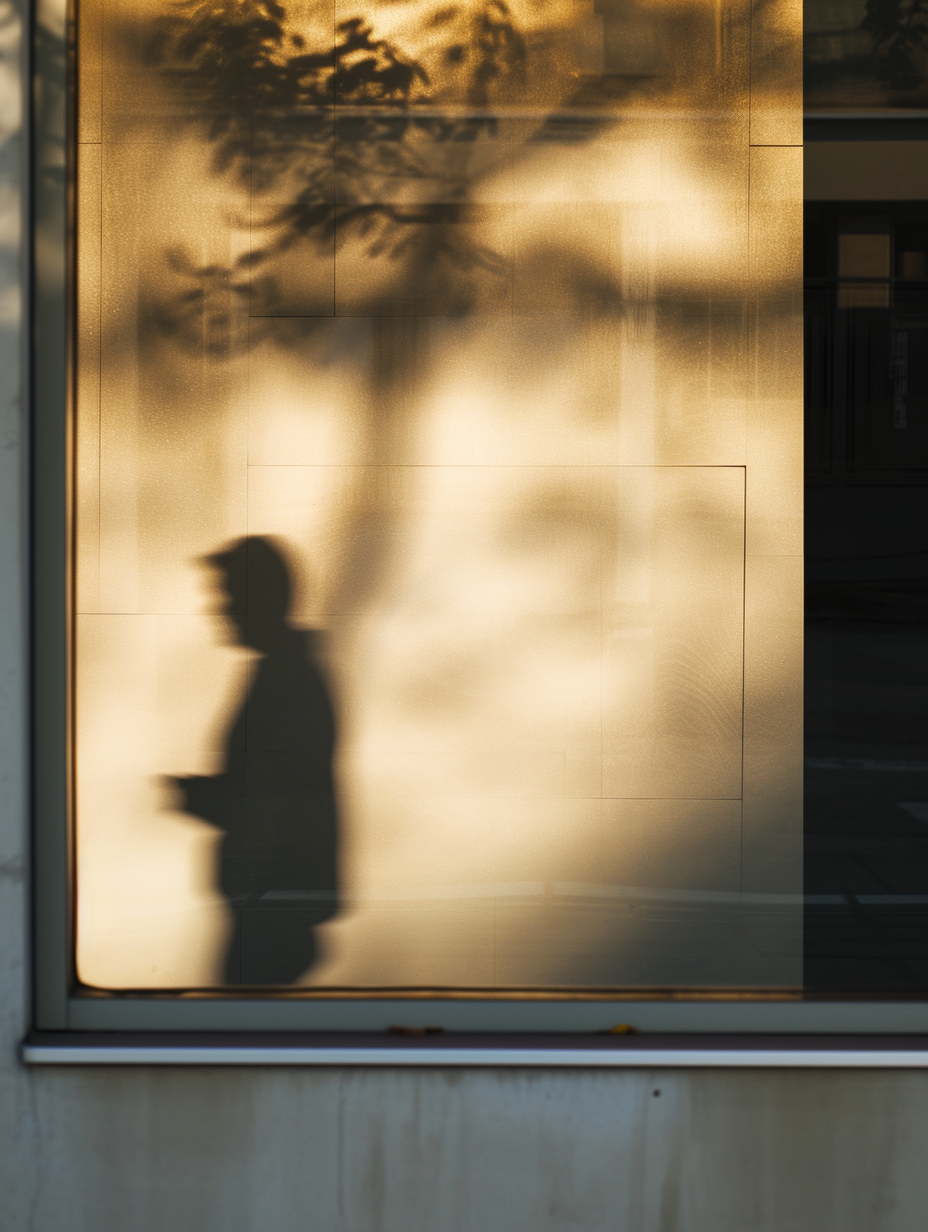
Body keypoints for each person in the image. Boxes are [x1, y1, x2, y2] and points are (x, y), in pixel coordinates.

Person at [170, 536, 339, 984]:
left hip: (272, 914)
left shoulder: (287, 683)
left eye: (227, 595)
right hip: (267, 907)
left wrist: (205, 798)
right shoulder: (282, 676)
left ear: (257, 599)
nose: (217, 609)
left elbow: (280, 805)